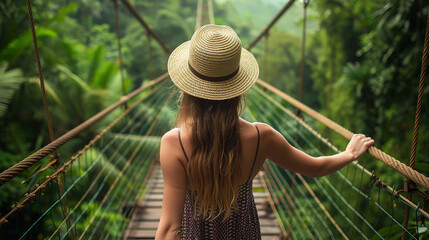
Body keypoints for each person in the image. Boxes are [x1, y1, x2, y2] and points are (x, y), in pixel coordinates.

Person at [155, 24, 374, 240]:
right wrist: (349, 154)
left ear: (187, 89)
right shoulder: (261, 137)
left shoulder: (174, 143)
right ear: (238, 88)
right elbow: (315, 168)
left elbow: (170, 228)